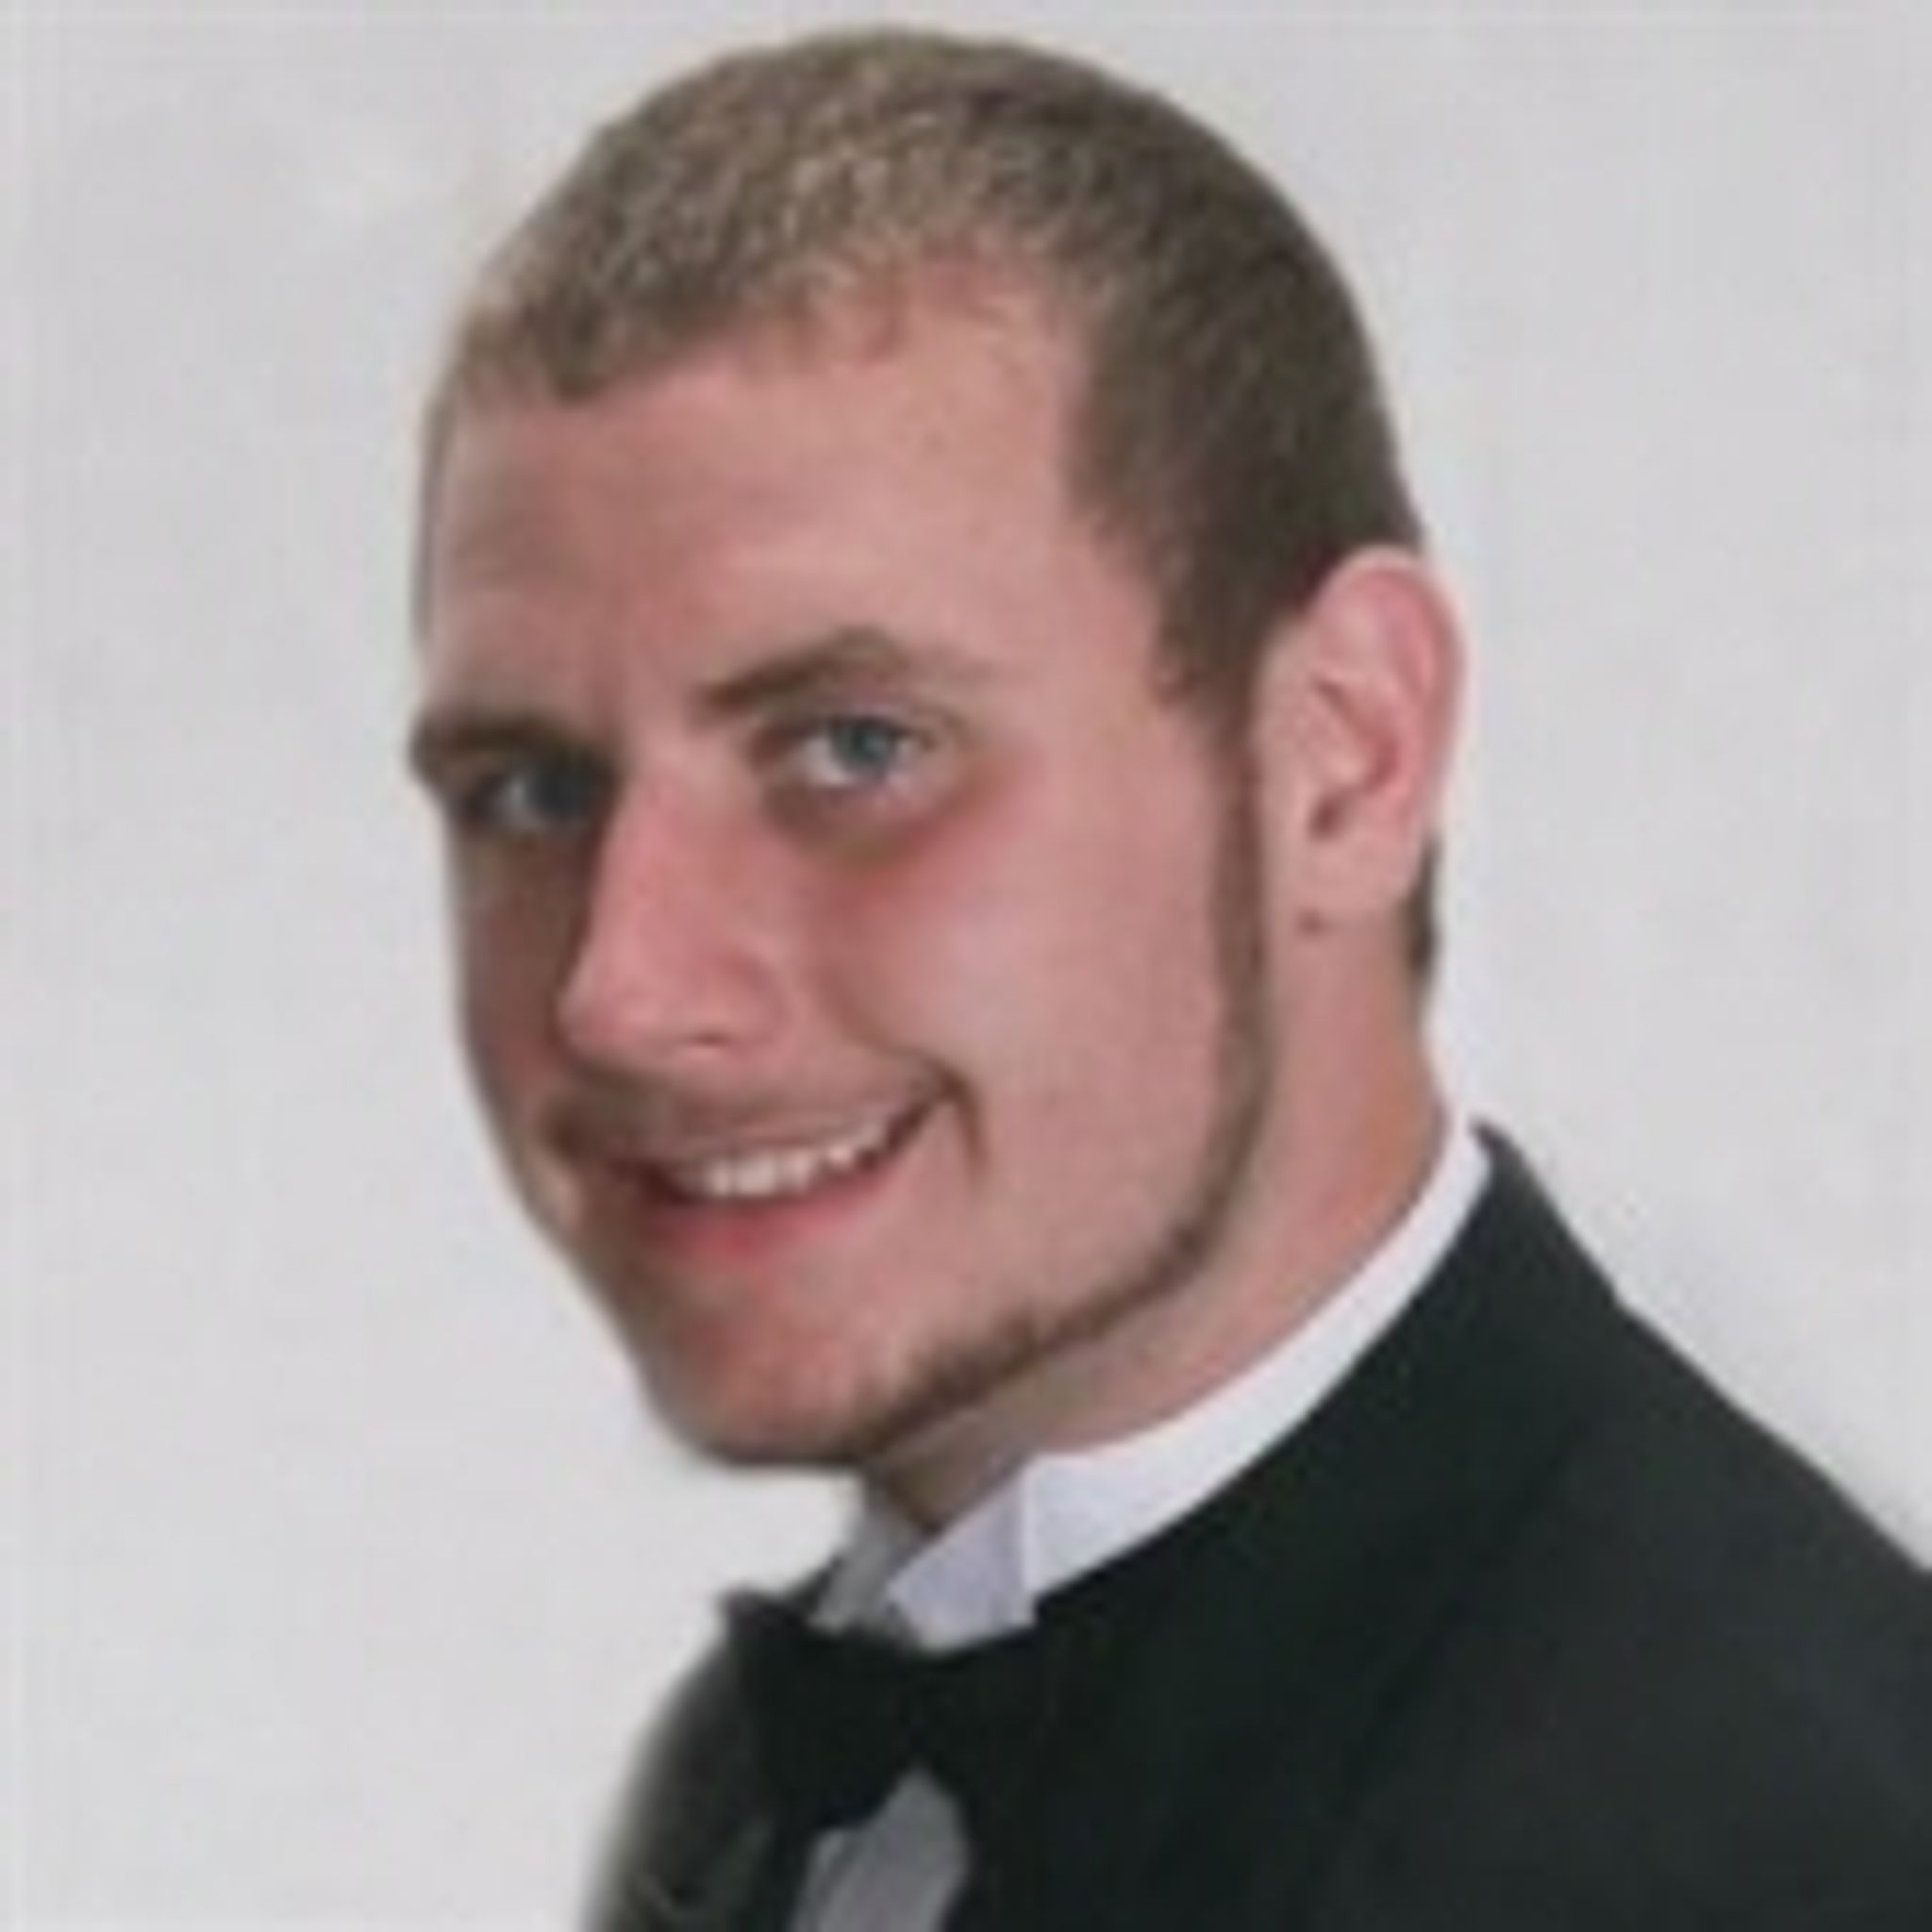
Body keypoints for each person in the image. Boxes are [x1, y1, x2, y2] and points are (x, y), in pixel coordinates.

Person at [407, 27, 1932, 1930]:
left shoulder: (1739, 1847)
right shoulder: (753, 1760)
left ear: (1343, 756)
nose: (619, 992)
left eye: (858, 748)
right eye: (533, 790)